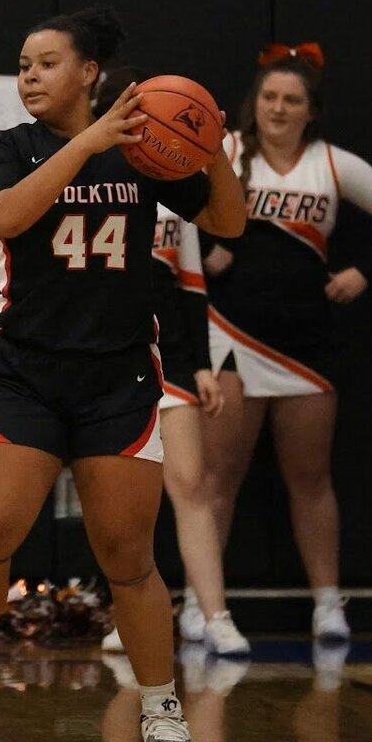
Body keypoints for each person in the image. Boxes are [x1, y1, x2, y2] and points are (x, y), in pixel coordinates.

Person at [0, 7, 246, 742]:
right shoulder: (8, 148)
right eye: (23, 64)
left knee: (127, 555)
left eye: (45, 63)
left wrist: (214, 150)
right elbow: (8, 214)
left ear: (89, 73)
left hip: (119, 379)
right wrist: (93, 142)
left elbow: (228, 223)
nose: (29, 75)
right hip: (24, 374)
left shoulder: (145, 153)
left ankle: (161, 706)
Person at [202, 44, 372, 643]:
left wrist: (365, 270)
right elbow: (170, 214)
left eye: (291, 100)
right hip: (231, 338)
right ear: (256, 102)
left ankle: (328, 602)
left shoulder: (331, 164)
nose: (277, 108)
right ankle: (203, 603)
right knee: (219, 477)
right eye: (269, 97)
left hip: (305, 342)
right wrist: (204, 251)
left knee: (311, 477)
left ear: (310, 110)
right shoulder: (226, 153)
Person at [102, 200, 249, 657]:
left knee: (191, 484)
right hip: (106, 359)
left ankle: (215, 616)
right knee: (122, 498)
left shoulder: (174, 194)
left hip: (170, 360)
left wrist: (203, 366)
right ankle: (126, 616)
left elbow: (191, 286)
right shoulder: (88, 184)